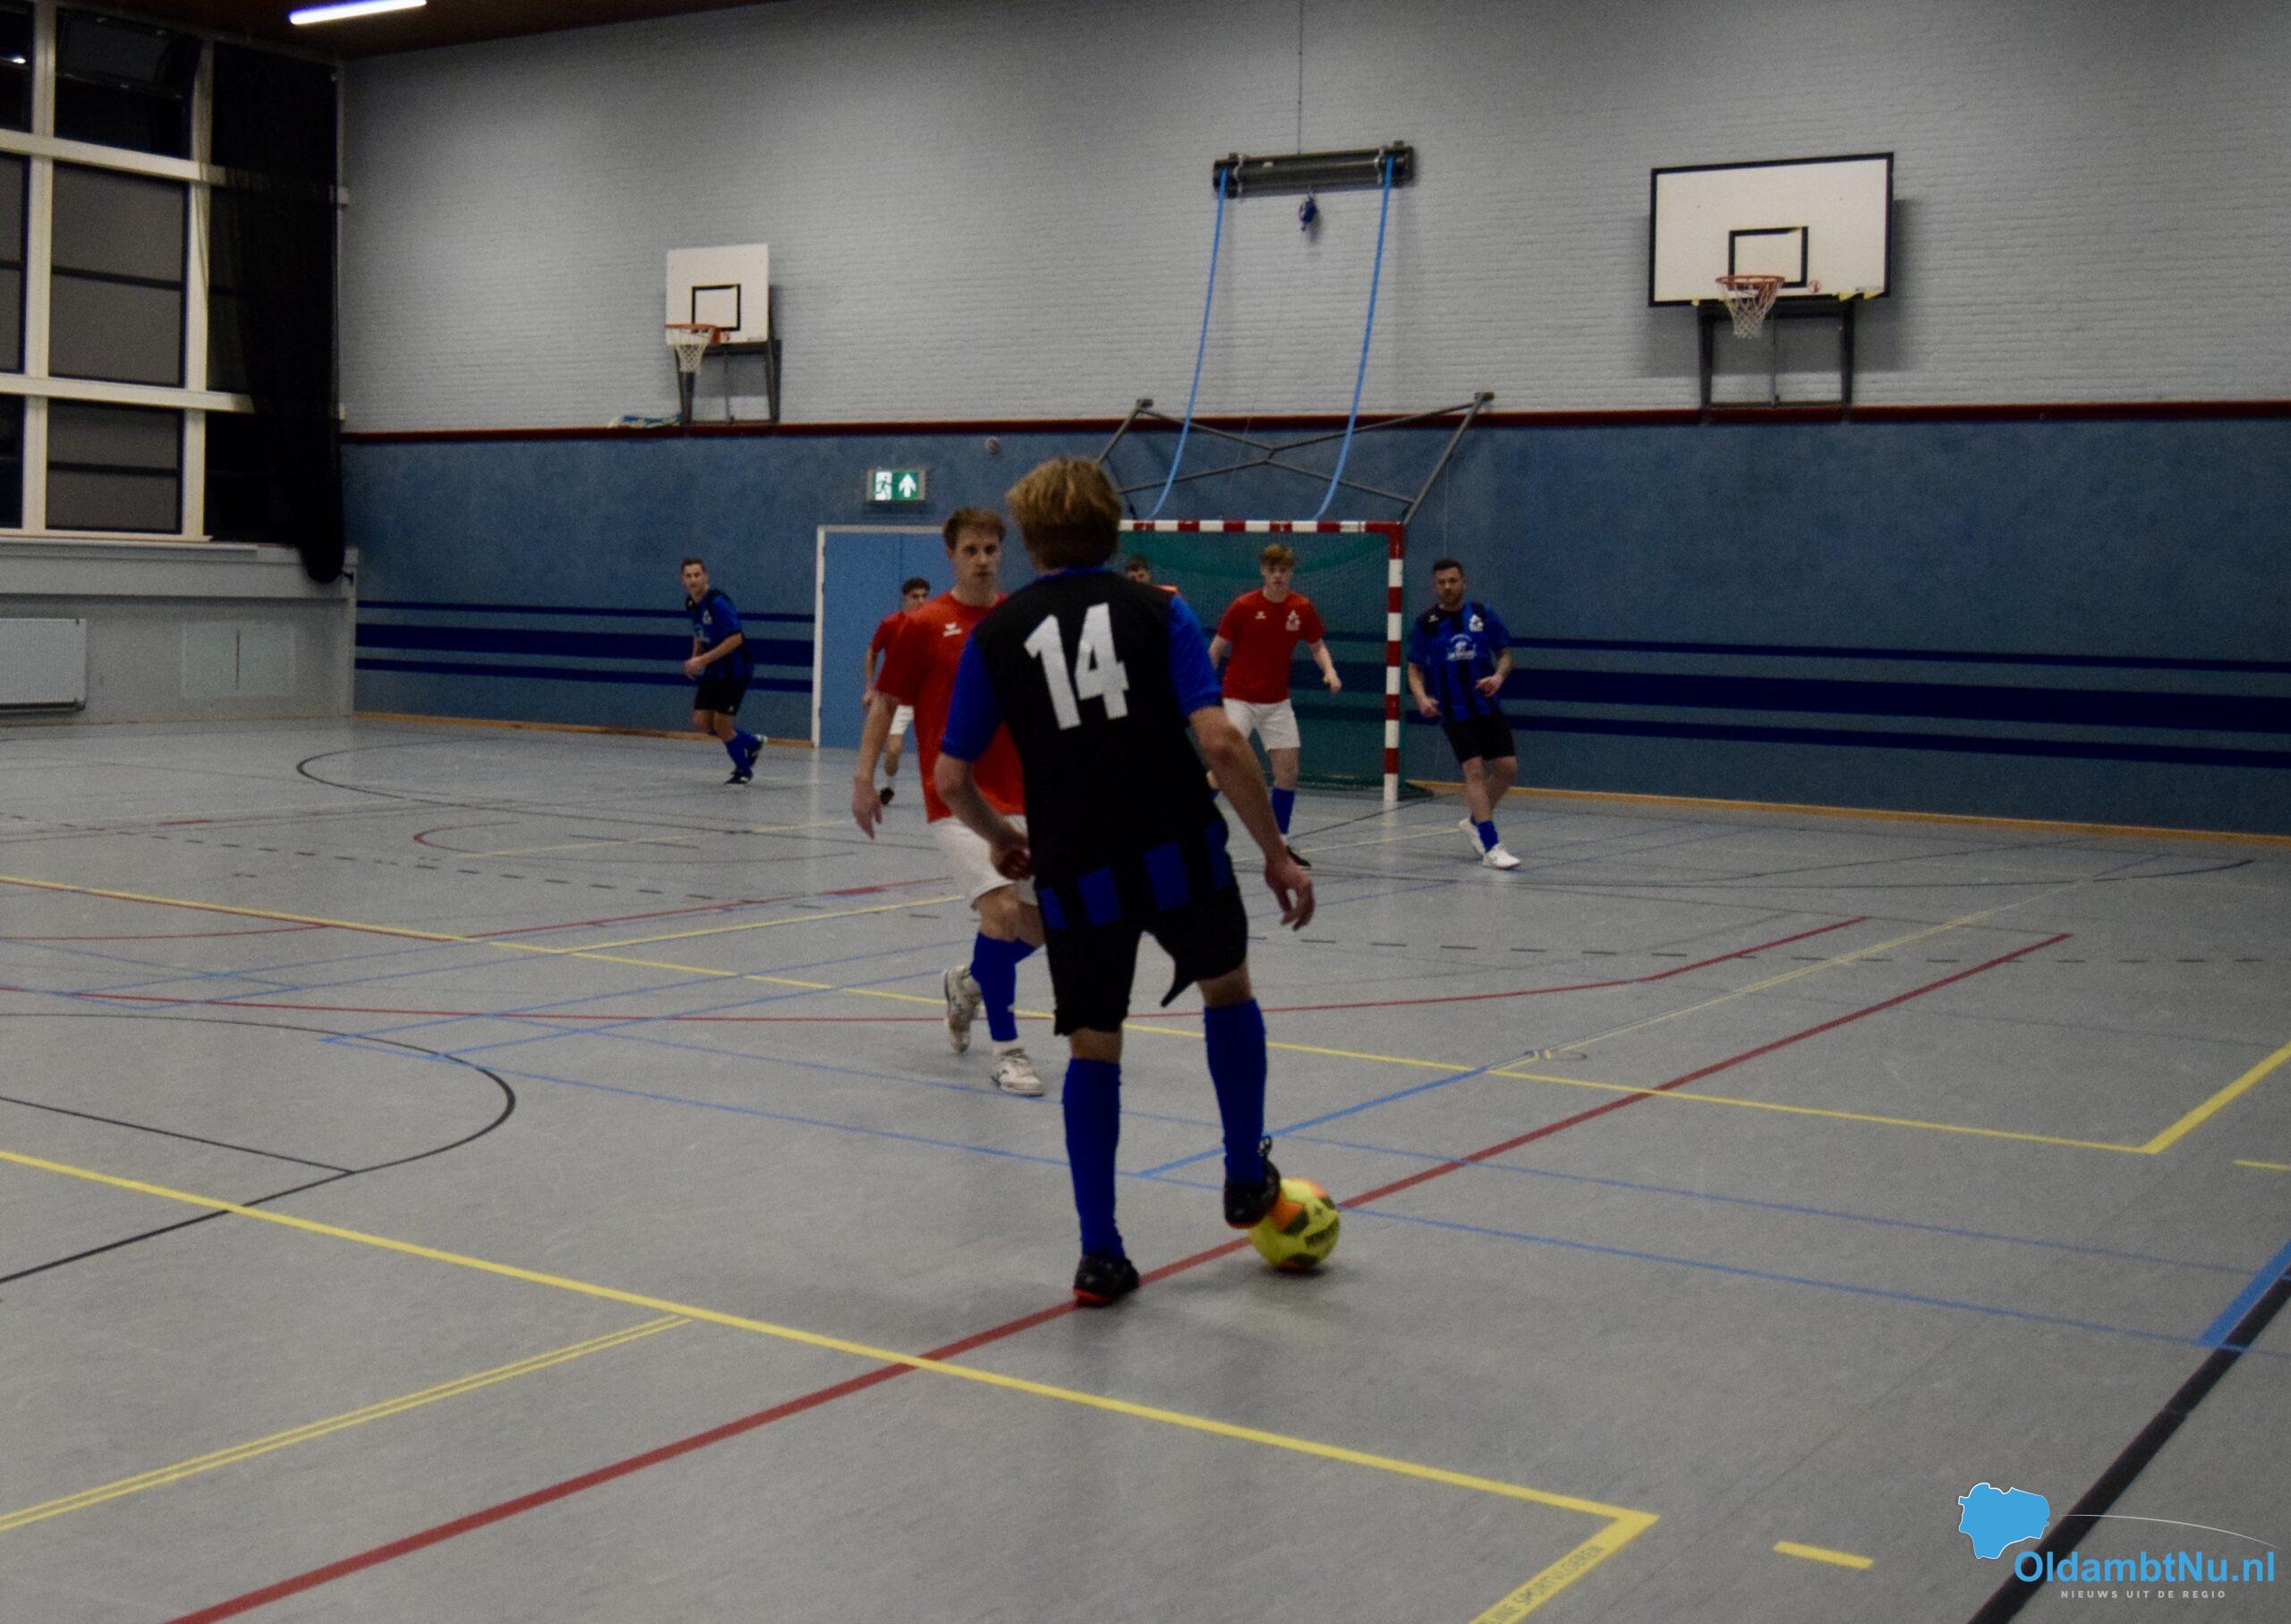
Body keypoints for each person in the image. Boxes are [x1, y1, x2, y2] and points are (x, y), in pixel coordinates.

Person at [934, 457, 1316, 1306]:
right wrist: (1276, 853)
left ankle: (1100, 1254)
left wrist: (1002, 840)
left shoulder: (997, 635)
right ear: (1113, 530)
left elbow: (951, 777)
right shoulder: (1161, 609)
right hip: (1178, 847)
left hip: (1077, 868)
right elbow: (1221, 742)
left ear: (1028, 539)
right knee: (1228, 990)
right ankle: (1242, 1175)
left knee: (1093, 1045)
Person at [852, 511, 1044, 1096]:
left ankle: (969, 982)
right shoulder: (923, 625)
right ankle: (1008, 1052)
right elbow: (887, 702)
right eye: (970, 549)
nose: (982, 559)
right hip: (956, 798)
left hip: (1023, 792)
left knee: (1047, 926)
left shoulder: (1018, 619)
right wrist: (863, 777)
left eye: (991, 549)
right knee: (1002, 910)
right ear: (951, 555)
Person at [1208, 542, 1340, 865]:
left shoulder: (1301, 608)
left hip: (1277, 702)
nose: (1278, 576)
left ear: (1291, 573)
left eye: (1283, 570)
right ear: (1263, 572)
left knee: (1288, 772)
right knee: (1225, 770)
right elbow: (1216, 649)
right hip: (1238, 697)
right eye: (1272, 570)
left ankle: (1280, 846)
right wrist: (1205, 693)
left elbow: (1317, 646)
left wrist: (1330, 671)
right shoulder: (1243, 606)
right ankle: (1186, 824)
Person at [1407, 558, 1521, 870]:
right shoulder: (1426, 623)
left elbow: (1505, 655)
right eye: (1441, 582)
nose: (1447, 587)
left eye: (1453, 581)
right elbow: (1415, 668)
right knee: (1473, 770)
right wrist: (1421, 697)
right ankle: (1491, 844)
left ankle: (1473, 822)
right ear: (1435, 585)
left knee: (1507, 769)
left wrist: (1498, 677)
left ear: (1464, 582)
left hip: (1487, 704)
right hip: (1454, 709)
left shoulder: (1483, 614)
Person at [681, 557, 762, 784]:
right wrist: (695, 657)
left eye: (697, 575)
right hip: (714, 668)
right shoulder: (691, 603)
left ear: (705, 576)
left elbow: (736, 639)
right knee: (701, 722)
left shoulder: (718, 603)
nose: (693, 580)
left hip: (735, 669)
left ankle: (744, 771)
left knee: (722, 724)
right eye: (688, 576)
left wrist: (702, 660)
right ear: (683, 580)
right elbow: (699, 631)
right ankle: (752, 742)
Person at [864, 576, 932, 803]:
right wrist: (869, 689)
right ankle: (889, 787)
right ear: (905, 599)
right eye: (915, 597)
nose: (921, 601)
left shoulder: (933, 624)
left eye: (924, 596)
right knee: (893, 749)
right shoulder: (891, 624)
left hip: (923, 698)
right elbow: (872, 653)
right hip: (896, 699)